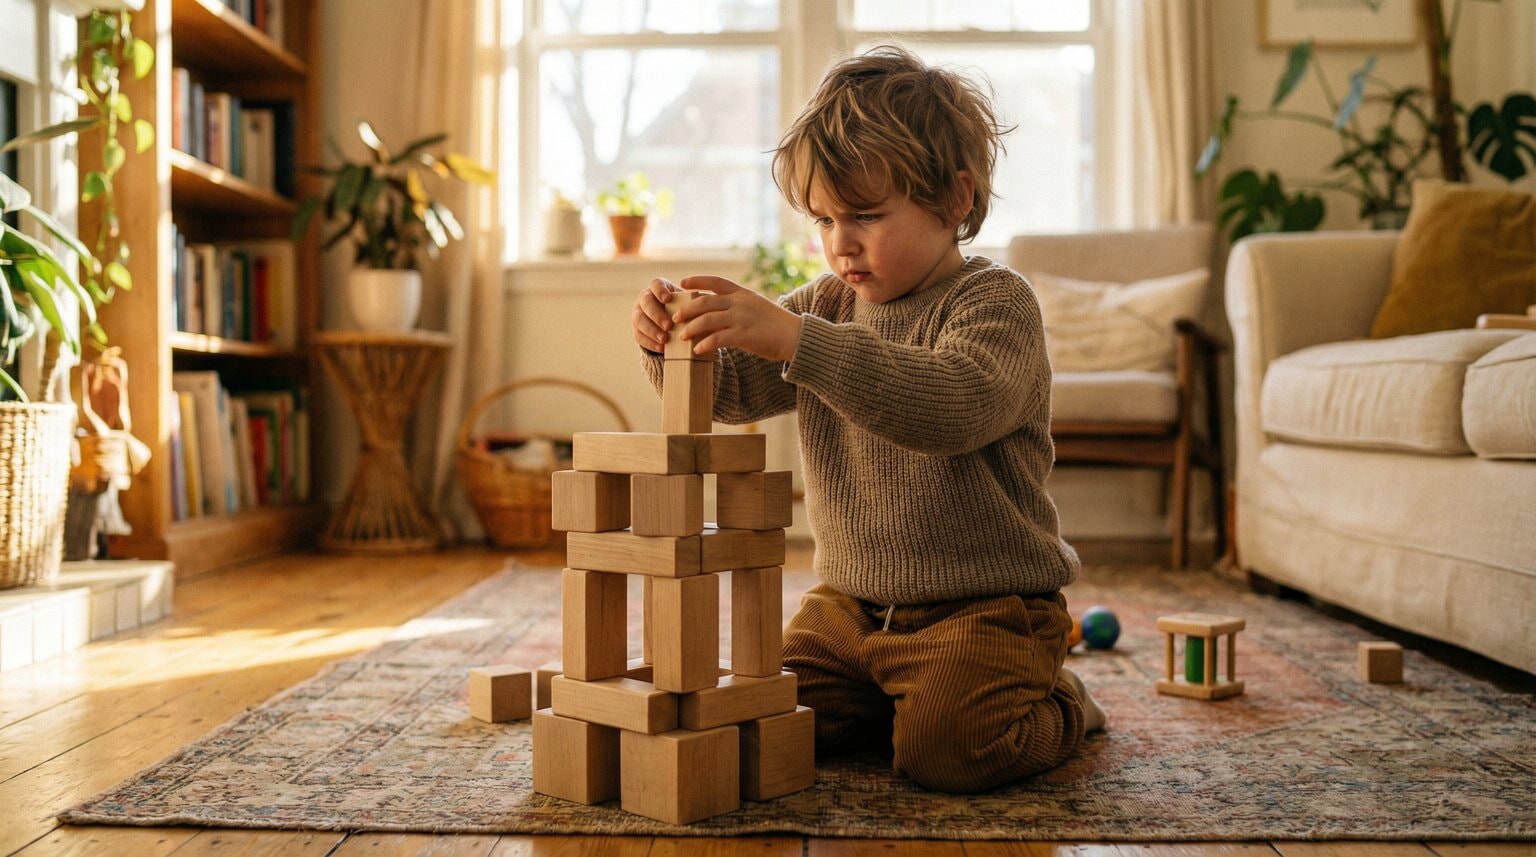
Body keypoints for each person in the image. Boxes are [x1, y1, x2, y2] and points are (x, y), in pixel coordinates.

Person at [630, 44, 1105, 794]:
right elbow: (733, 394)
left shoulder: (995, 303)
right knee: (763, 721)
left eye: (866, 215)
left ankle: (1061, 703)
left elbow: (953, 404)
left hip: (984, 609)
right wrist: (670, 342)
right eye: (823, 218)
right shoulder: (826, 303)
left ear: (956, 200)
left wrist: (798, 341)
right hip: (850, 610)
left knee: (949, 754)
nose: (839, 242)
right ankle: (900, 704)